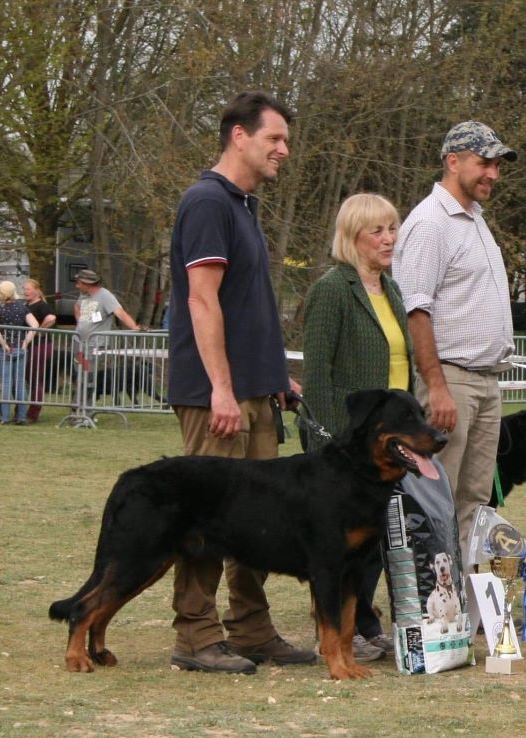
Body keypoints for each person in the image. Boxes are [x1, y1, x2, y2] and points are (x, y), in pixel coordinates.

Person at [166, 90, 315, 674]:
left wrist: (275, 378)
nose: (284, 150)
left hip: (254, 391)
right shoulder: (207, 201)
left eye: (285, 141)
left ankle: (251, 630)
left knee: (257, 519)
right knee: (206, 517)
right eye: (274, 139)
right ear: (239, 136)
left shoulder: (246, 206)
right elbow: (202, 303)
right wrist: (221, 391)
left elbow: (246, 306)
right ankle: (196, 638)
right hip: (215, 396)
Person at [393, 120, 516, 565]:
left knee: (475, 500)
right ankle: (432, 602)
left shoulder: (475, 220)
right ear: (453, 162)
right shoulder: (429, 223)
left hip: (484, 381)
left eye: (497, 165)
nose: (493, 174)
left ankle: (462, 603)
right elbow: (416, 309)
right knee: (436, 495)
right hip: (452, 379)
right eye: (484, 163)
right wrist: (437, 384)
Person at [303, 193, 410, 662]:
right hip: (346, 448)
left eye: (392, 228)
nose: (389, 239)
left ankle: (363, 622)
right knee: (340, 544)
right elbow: (317, 373)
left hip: (388, 444)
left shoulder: (393, 289)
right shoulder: (332, 289)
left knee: (375, 539)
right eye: (378, 231)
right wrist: (329, 437)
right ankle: (346, 627)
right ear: (352, 238)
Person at [0, 281, 39, 425]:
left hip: (5, 349)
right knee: (20, 383)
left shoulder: (1, 309)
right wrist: (26, 341)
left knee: (6, 384)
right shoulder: (22, 308)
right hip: (20, 349)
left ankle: (5, 417)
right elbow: (35, 325)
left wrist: (3, 344)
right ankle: (21, 417)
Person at [22, 279, 56, 423]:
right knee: (25, 377)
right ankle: (21, 410)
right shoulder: (25, 305)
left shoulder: (41, 305)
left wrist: (40, 329)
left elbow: (51, 318)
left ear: (36, 290)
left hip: (39, 346)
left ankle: (33, 413)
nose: (25, 291)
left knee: (35, 378)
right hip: (27, 346)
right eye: (24, 289)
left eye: (28, 289)